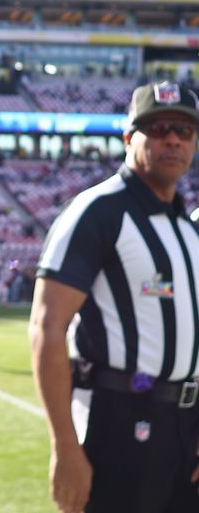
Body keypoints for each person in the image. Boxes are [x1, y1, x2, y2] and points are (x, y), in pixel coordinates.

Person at [30, 81, 199, 513]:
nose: (174, 139)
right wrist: (65, 447)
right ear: (129, 137)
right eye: (159, 127)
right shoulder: (97, 212)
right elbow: (47, 330)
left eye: (185, 129)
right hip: (119, 419)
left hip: (185, 423)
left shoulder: (186, 229)